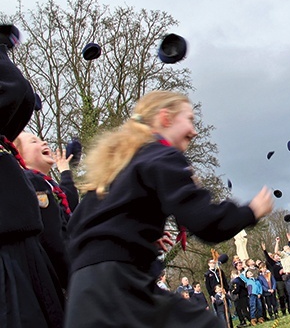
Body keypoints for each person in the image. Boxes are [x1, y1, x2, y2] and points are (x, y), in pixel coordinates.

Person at [65, 91, 273, 328]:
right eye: (190, 120)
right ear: (166, 118)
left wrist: (138, 237)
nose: (194, 131)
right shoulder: (162, 156)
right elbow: (205, 222)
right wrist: (251, 211)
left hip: (84, 290)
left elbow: (78, 227)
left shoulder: (117, 166)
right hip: (119, 285)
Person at [0, 29, 65, 327]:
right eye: (33, 141)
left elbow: (20, 96)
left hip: (24, 253)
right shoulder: (34, 182)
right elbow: (15, 89)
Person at [13, 132, 80, 290]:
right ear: (19, 156)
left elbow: (67, 206)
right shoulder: (32, 183)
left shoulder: (44, 183)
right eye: (33, 142)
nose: (43, 142)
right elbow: (52, 235)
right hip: (57, 277)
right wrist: (75, 274)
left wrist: (65, 171)